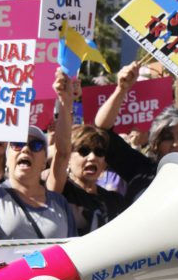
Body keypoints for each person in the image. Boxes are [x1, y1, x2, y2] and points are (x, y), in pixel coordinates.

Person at [94, 62, 178, 204]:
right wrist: (121, 89)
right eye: (167, 138)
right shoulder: (140, 168)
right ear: (155, 144)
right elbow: (102, 130)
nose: (176, 143)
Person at [45, 69, 125, 236]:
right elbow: (61, 153)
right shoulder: (61, 192)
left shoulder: (115, 201)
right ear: (69, 157)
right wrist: (66, 102)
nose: (92, 157)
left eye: (99, 152)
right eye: (83, 150)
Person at [0, 124, 76, 241]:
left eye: (36, 145)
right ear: (7, 159)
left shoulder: (60, 202)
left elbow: (73, 250)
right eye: (17, 144)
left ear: (44, 162)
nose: (25, 149)